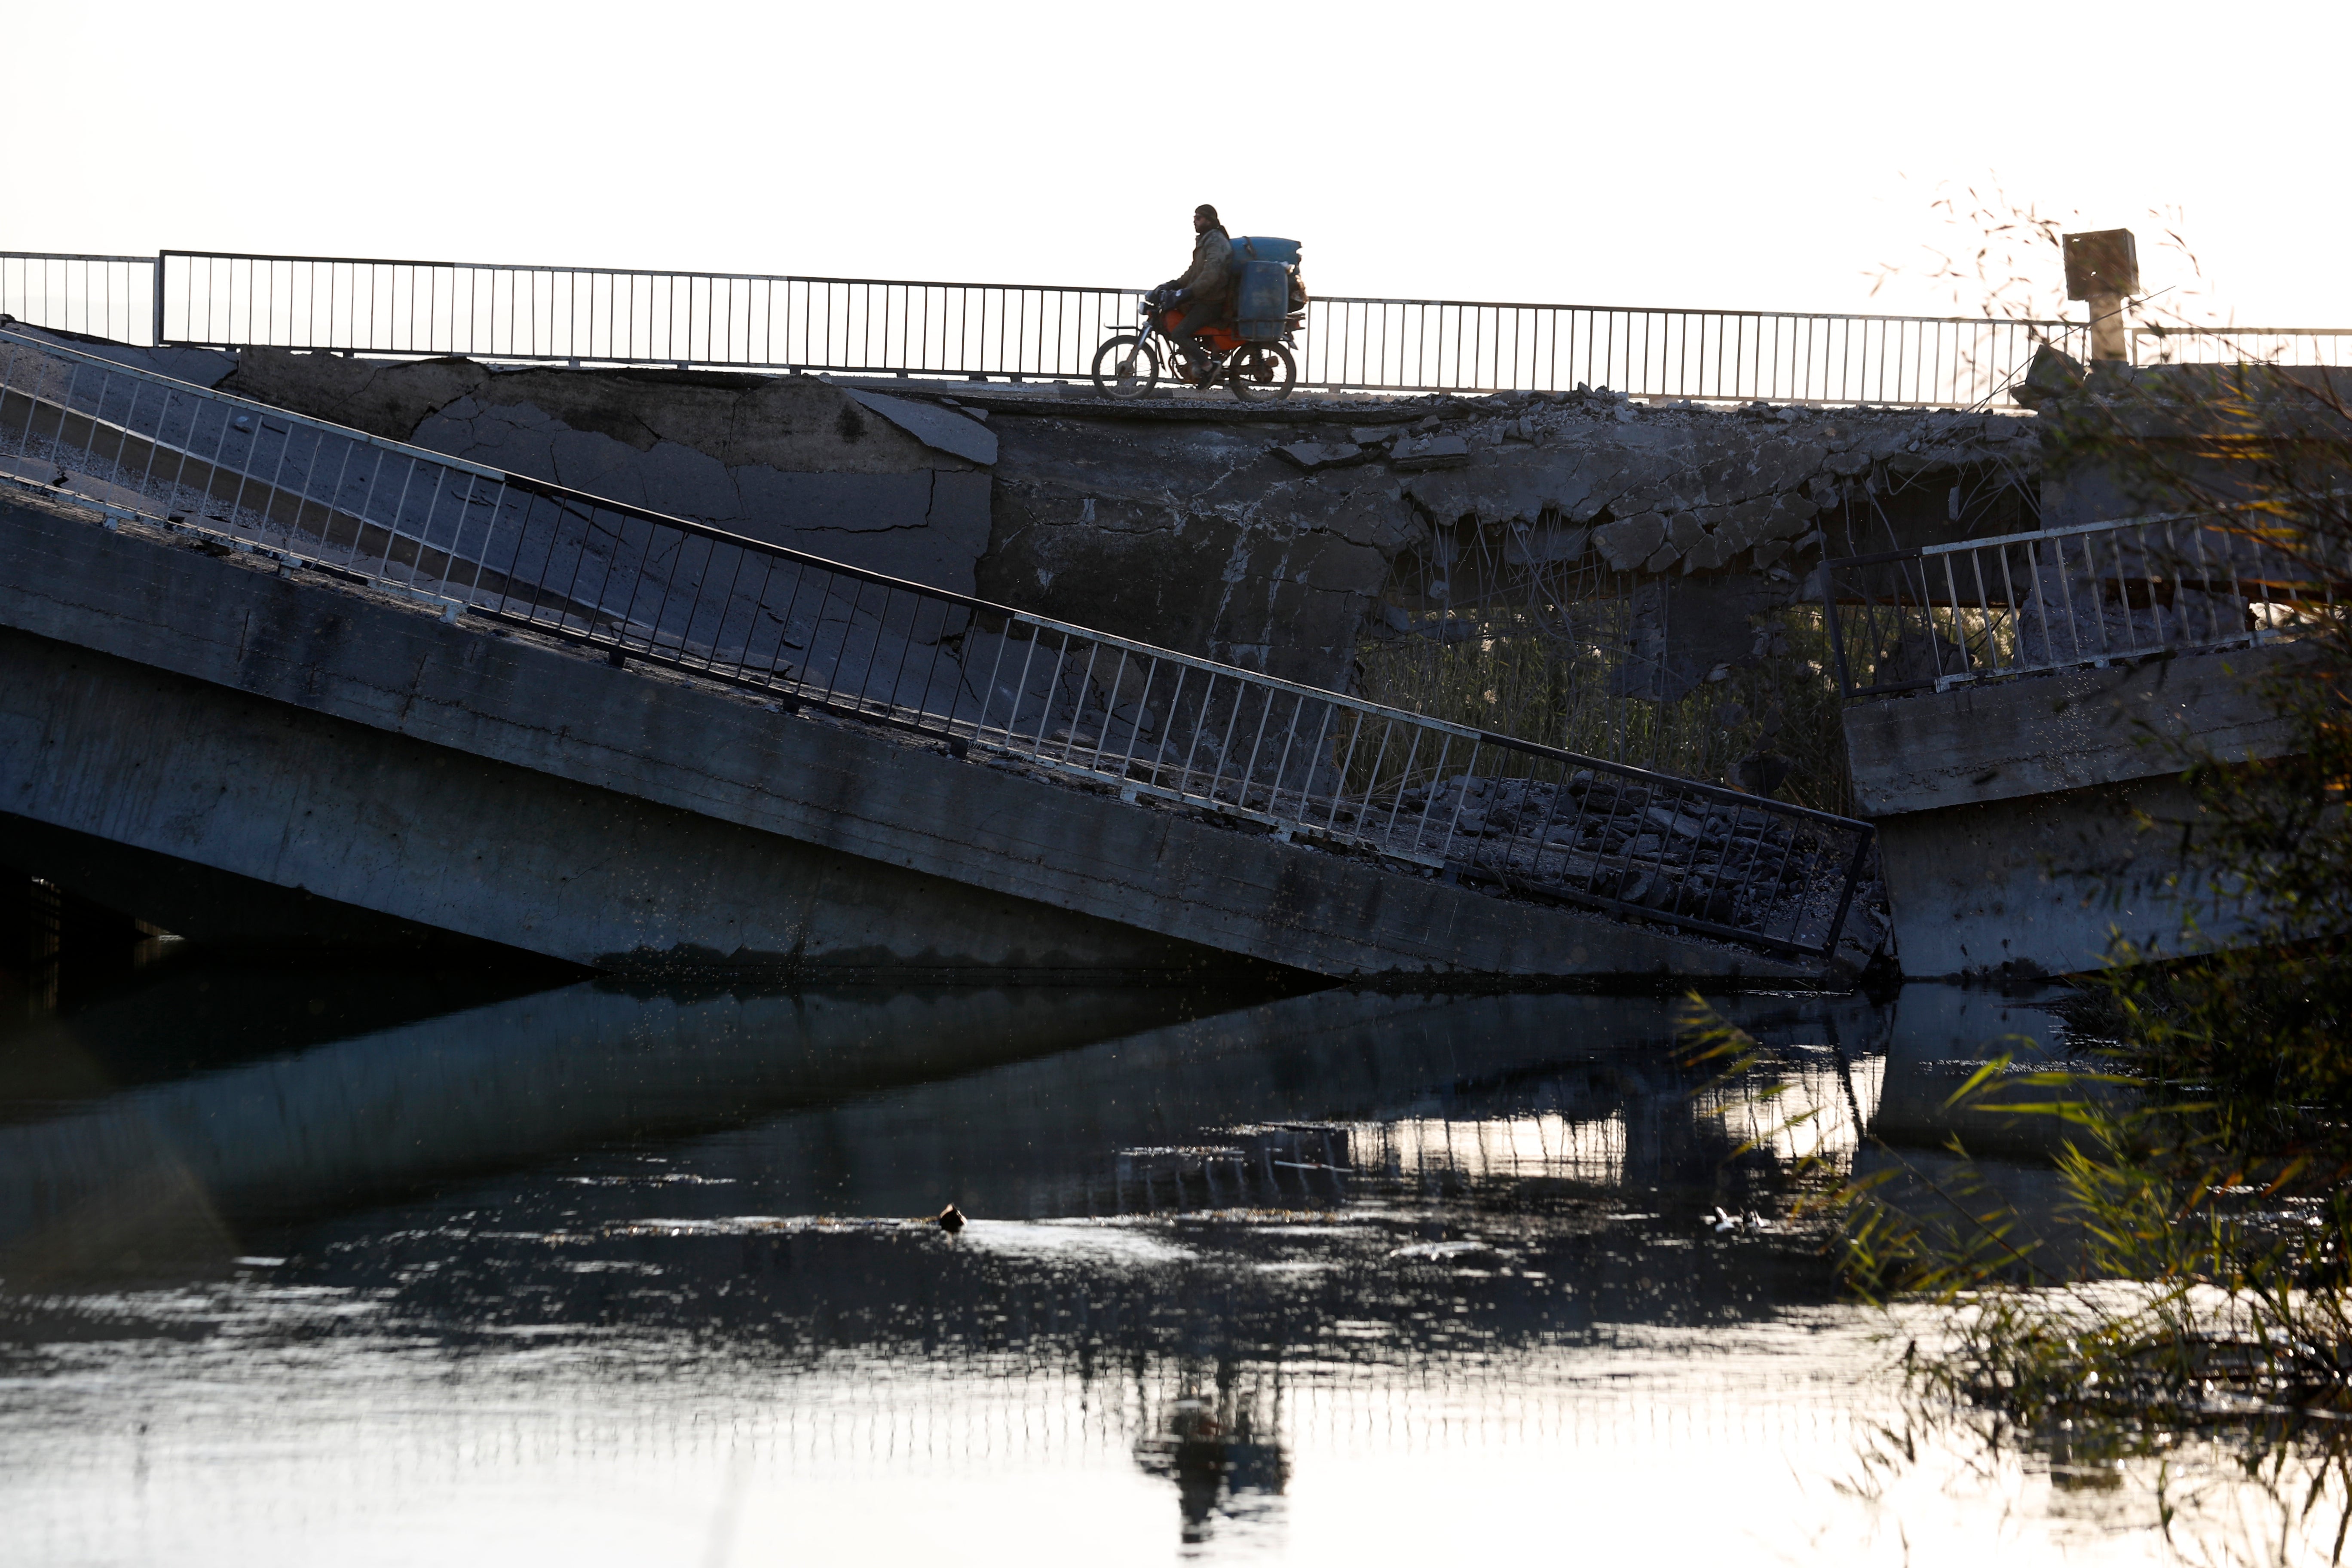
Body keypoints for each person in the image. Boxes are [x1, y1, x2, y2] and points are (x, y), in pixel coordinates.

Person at [1156, 204, 1232, 380]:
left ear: (1209, 220)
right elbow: (1194, 272)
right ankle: (1197, 363)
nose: (1194, 221)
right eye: (1195, 217)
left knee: (1180, 333)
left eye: (1198, 218)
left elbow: (1210, 275)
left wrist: (1188, 293)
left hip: (1211, 302)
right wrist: (1172, 285)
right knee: (1172, 323)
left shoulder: (1216, 241)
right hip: (1204, 298)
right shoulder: (1207, 240)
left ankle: (1208, 366)